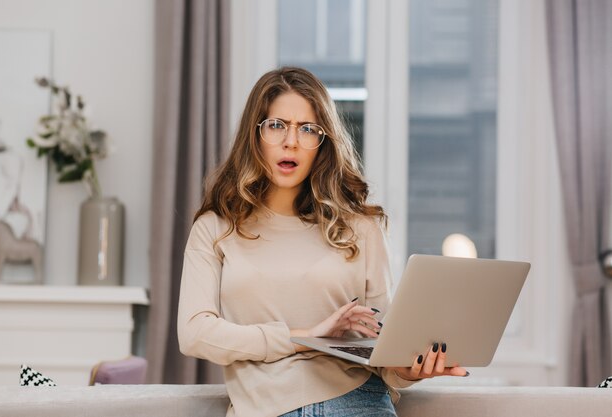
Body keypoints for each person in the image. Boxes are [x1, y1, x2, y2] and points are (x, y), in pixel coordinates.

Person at [177, 67, 468, 417]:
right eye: (277, 125)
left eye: (308, 129)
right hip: (265, 408)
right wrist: (303, 335)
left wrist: (410, 369)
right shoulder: (215, 228)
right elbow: (194, 333)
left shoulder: (362, 227)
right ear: (255, 135)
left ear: (323, 142)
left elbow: (381, 345)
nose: (291, 141)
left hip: (358, 401)